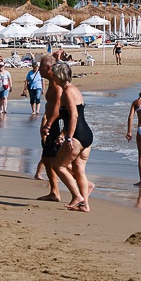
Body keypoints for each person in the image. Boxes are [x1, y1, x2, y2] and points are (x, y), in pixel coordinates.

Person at [48, 61, 93, 211]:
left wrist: (69, 137)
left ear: (60, 75)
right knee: (79, 171)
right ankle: (85, 205)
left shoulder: (67, 91)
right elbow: (72, 117)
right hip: (86, 135)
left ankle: (77, 196)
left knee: (58, 166)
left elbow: (74, 116)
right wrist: (63, 133)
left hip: (78, 136)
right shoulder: (74, 89)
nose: (52, 77)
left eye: (54, 74)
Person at [35, 52, 62, 199]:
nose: (38, 69)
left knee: (59, 161)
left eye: (40, 67)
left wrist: (48, 124)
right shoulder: (52, 81)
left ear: (47, 68)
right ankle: (54, 191)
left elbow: (58, 106)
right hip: (52, 122)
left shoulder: (56, 82)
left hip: (56, 123)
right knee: (47, 158)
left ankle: (84, 184)